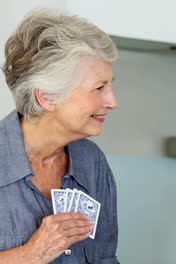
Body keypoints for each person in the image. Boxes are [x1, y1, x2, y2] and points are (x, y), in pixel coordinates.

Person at [0, 9, 119, 263]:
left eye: (110, 85)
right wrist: (27, 255)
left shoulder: (92, 162)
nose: (112, 101)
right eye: (99, 88)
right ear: (47, 97)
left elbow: (105, 258)